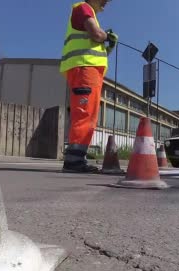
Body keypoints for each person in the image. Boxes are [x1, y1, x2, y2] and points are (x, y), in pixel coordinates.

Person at [59, 0, 118, 173]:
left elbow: (95, 45)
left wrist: (109, 47)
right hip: (85, 69)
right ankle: (73, 161)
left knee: (88, 114)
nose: (106, 3)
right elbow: (96, 35)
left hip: (88, 70)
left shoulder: (87, 12)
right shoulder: (83, 8)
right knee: (84, 113)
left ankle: (77, 158)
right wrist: (106, 36)